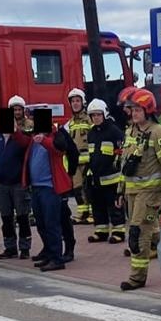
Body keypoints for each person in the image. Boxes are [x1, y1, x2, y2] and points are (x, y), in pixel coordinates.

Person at [117, 88, 161, 291]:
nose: (133, 114)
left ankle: (137, 278)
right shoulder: (131, 130)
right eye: (132, 110)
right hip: (132, 192)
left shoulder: (157, 132)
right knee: (151, 233)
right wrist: (120, 189)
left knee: (138, 234)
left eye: (138, 110)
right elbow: (125, 161)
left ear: (147, 110)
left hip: (149, 193)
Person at [24, 109, 75, 272]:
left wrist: (44, 140)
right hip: (37, 187)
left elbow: (58, 150)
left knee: (52, 224)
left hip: (50, 188)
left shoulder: (55, 135)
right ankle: (48, 253)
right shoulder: (34, 138)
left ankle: (57, 258)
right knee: (41, 224)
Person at [72, 99, 125, 242]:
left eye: (98, 115)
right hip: (95, 177)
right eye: (93, 115)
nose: (96, 118)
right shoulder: (91, 133)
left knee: (114, 205)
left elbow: (121, 152)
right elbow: (91, 155)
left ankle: (118, 232)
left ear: (104, 114)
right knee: (97, 205)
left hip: (111, 177)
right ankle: (101, 231)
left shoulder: (114, 131)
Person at [0, 95, 32, 259]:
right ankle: (10, 248)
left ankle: (25, 248)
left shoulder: (24, 132)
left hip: (18, 183)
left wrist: (16, 131)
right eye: (12, 110)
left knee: (22, 217)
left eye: (18, 109)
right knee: (6, 218)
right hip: (2, 184)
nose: (15, 113)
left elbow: (27, 145)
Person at [64, 88, 95, 224]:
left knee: (89, 188)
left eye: (78, 101)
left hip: (89, 161)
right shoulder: (70, 123)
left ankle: (94, 214)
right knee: (77, 189)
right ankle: (82, 213)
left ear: (83, 102)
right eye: (73, 101)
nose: (75, 104)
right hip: (75, 162)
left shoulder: (90, 120)